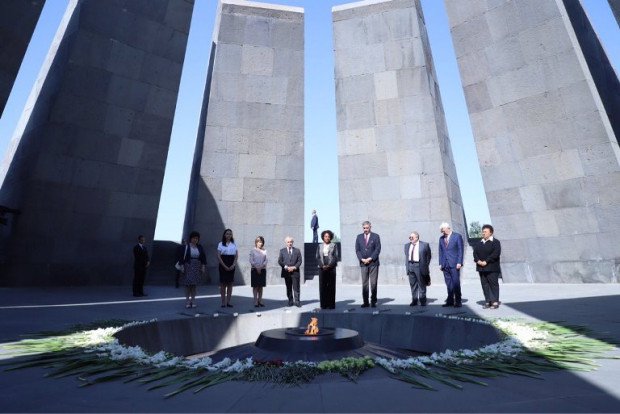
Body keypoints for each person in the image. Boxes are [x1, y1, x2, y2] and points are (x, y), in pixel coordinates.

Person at [473, 224, 502, 309]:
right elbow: (475, 253)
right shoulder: (479, 242)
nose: (483, 233)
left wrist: (486, 261)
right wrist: (478, 261)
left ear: (491, 233)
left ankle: (495, 301)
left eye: (485, 232)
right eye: (483, 231)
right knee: (484, 285)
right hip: (481, 268)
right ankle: (488, 301)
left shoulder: (495, 242)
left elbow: (496, 253)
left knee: (493, 284)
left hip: (492, 267)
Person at [355, 221, 381, 308]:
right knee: (365, 283)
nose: (365, 229)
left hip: (373, 263)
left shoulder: (376, 236)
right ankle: (365, 302)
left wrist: (370, 258)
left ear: (370, 227)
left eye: (367, 228)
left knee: (373, 283)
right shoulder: (359, 237)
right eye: (364, 228)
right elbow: (357, 250)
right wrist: (362, 259)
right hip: (363, 263)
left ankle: (373, 301)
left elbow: (377, 249)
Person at [438, 222, 464, 307]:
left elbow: (460, 250)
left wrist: (459, 262)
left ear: (448, 228)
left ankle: (458, 301)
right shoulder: (441, 239)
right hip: (445, 265)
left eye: (443, 230)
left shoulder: (457, 236)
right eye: (441, 231)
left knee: (456, 283)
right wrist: (440, 263)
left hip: (454, 264)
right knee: (448, 283)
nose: (442, 232)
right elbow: (440, 251)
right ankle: (450, 301)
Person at [178, 231, 206, 308]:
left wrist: (203, 266)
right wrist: (182, 266)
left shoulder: (200, 247)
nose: (195, 240)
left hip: (197, 266)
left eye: (197, 238)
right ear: (190, 238)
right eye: (194, 238)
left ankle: (193, 300)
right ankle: (187, 300)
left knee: (194, 285)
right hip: (188, 266)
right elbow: (181, 257)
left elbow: (203, 257)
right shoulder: (186, 246)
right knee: (187, 285)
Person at [404, 231, 432, 306]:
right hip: (410, 266)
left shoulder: (424, 245)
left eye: (412, 237)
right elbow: (407, 256)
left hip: (419, 266)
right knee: (413, 284)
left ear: (416, 237)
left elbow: (428, 256)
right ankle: (414, 300)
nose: (410, 239)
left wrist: (425, 265)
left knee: (421, 284)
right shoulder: (407, 246)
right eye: (409, 237)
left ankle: (422, 300)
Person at [316, 230, 339, 309]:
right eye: (325, 236)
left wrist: (329, 265)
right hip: (322, 267)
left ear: (330, 237)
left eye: (328, 236)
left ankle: (331, 304)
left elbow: (336, 256)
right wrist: (322, 266)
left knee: (331, 286)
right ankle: (323, 304)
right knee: (322, 286)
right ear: (323, 237)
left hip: (331, 267)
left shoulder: (334, 245)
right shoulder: (319, 246)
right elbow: (318, 257)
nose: (327, 238)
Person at [278, 236, 302, 307]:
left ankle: (297, 302)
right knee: (288, 287)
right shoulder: (282, 251)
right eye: (288, 242)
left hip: (295, 272)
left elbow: (299, 261)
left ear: (293, 242)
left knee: (296, 287)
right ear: (286, 243)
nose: (290, 243)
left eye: (291, 242)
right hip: (286, 272)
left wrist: (294, 267)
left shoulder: (297, 250)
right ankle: (290, 301)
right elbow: (280, 261)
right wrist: (286, 267)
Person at [217, 229, 238, 308]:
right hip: (223, 264)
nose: (228, 235)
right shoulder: (220, 244)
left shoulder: (234, 244)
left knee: (230, 284)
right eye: (227, 234)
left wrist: (233, 264)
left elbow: (236, 256)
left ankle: (228, 302)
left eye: (230, 234)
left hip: (231, 263)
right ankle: (223, 302)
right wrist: (224, 266)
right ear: (224, 235)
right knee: (223, 284)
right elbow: (218, 256)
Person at [249, 236, 267, 307]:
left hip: (262, 270)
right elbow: (251, 260)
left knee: (261, 286)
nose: (260, 243)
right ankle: (255, 301)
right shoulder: (253, 250)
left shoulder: (264, 251)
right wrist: (257, 267)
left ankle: (260, 300)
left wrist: (261, 267)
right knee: (255, 286)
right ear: (256, 243)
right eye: (259, 242)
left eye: (261, 242)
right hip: (254, 269)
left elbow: (266, 260)